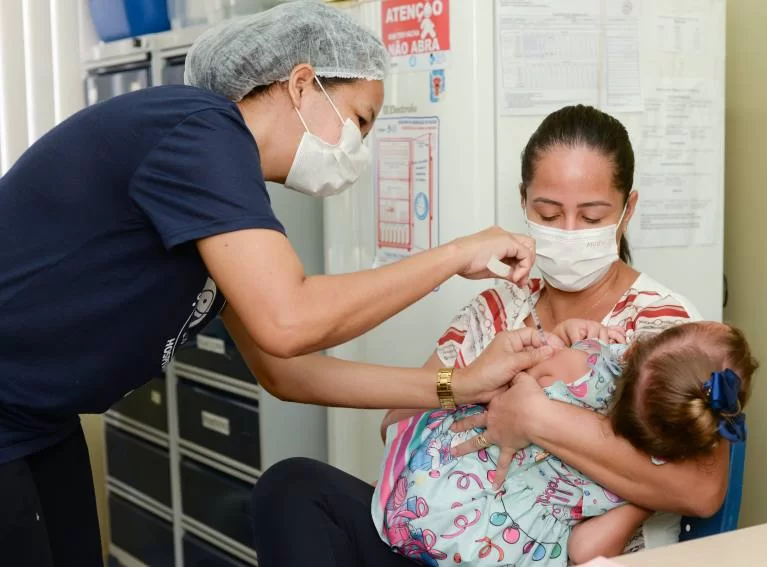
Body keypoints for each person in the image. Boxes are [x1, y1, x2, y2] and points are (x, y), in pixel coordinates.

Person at [0, 3, 554, 565]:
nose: (357, 148)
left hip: (37, 418)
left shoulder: (219, 185)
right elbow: (291, 321)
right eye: (361, 121)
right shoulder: (199, 129)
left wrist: (457, 385)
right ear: (302, 83)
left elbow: (287, 371)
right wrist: (456, 253)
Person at [251, 105, 732, 566]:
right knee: (293, 489)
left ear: (627, 210)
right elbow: (395, 424)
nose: (568, 231)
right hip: (456, 536)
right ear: (523, 202)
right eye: (547, 214)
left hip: (555, 555)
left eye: (590, 217)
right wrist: (476, 384)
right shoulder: (500, 306)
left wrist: (533, 417)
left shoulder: (663, 328)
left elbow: (702, 490)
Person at [374, 321, 757, 566]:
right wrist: (642, 499)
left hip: (423, 490)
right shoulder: (633, 487)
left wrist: (557, 338)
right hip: (485, 552)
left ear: (636, 349)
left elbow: (506, 379)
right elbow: (585, 550)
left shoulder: (580, 363)